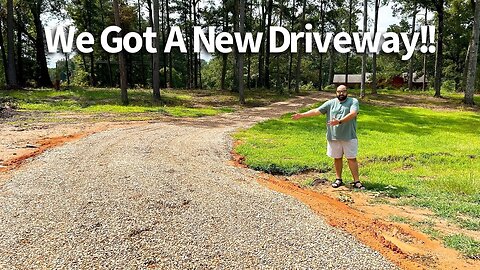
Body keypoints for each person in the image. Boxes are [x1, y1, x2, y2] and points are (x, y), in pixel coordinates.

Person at [292, 85, 365, 190]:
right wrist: (302, 115)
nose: (341, 93)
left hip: (349, 136)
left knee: (351, 159)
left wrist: (339, 121)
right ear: (336, 92)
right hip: (333, 137)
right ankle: (338, 179)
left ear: (347, 92)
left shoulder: (353, 101)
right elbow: (317, 111)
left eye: (343, 91)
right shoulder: (331, 103)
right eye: (339, 91)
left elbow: (353, 113)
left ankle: (357, 181)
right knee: (337, 158)